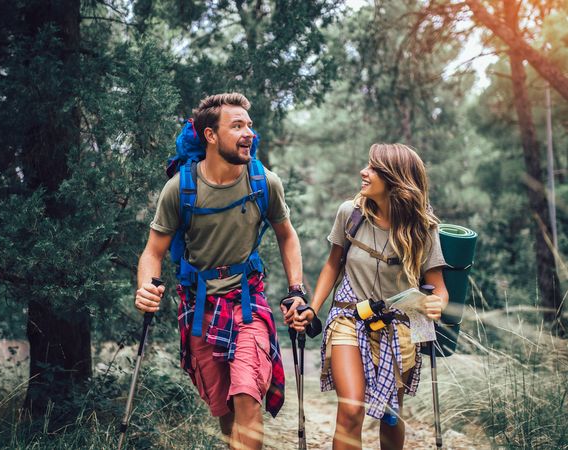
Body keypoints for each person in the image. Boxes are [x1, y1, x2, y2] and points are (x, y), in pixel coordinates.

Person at [134, 93, 306, 450]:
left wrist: (297, 289)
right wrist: (145, 287)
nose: (249, 134)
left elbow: (287, 236)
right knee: (226, 411)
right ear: (210, 135)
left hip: (247, 302)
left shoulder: (264, 182)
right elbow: (153, 252)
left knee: (246, 394)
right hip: (199, 306)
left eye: (250, 126)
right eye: (237, 126)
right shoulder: (180, 190)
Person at [294, 143, 449, 450]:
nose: (363, 172)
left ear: (395, 179)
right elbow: (332, 265)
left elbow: (438, 288)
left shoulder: (423, 228)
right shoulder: (350, 214)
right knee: (351, 409)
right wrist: (312, 308)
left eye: (373, 168)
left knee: (392, 415)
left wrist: (436, 304)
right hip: (349, 316)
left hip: (400, 325)